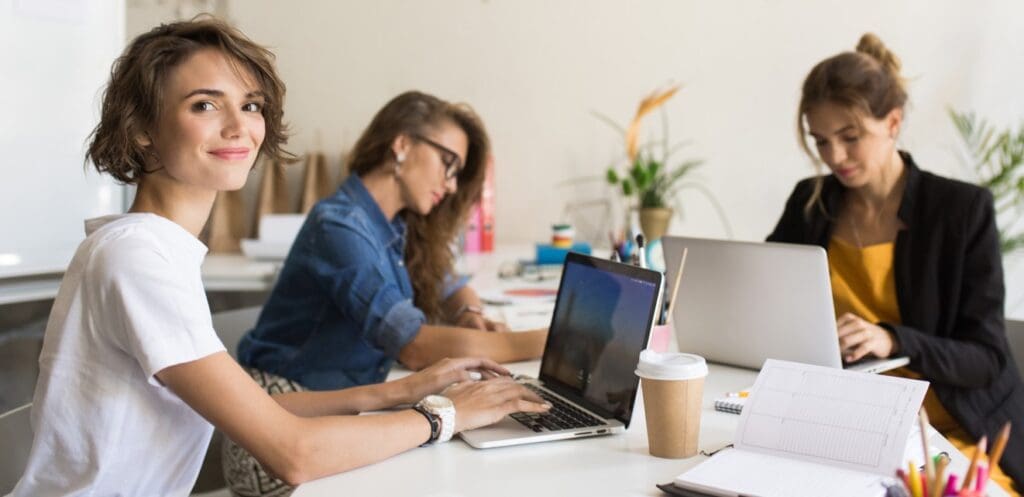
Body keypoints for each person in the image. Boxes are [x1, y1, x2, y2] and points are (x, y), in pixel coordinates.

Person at [7, 18, 548, 497]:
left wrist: (405, 391)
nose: (239, 125)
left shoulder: (155, 250)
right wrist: (446, 415)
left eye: (249, 105)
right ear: (143, 130)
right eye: (204, 104)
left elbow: (261, 413)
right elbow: (292, 451)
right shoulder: (136, 259)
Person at [226, 90, 548, 496]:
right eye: (449, 165)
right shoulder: (340, 227)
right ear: (402, 144)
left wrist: (469, 313)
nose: (450, 186)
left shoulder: (396, 225)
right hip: (277, 426)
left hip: (339, 407)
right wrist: (545, 341)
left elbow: (452, 284)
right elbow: (414, 346)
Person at [768, 33, 1023, 493]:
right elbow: (769, 300)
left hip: (949, 433)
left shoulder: (961, 210)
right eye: (821, 141)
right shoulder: (810, 203)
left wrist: (892, 339)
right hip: (846, 426)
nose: (834, 157)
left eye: (850, 137)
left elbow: (986, 359)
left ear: (892, 122)